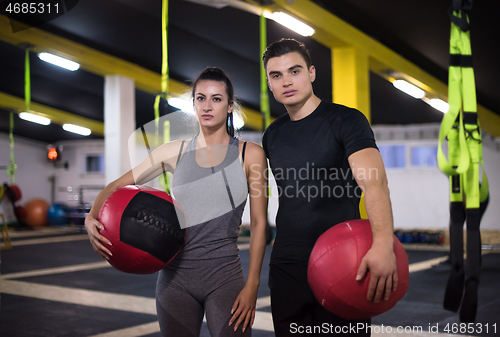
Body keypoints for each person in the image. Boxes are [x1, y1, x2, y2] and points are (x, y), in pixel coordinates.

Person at [85, 67, 268, 336]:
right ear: (193, 103)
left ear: (230, 107)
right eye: (200, 98)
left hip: (225, 278)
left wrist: (252, 286)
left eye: (217, 99)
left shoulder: (249, 155)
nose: (207, 106)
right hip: (175, 280)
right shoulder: (174, 151)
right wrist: (91, 217)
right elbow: (115, 186)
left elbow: (261, 224)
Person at [261, 38, 398, 336]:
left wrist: (384, 244)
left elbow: (375, 184)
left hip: (343, 261)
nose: (286, 81)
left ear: (311, 73)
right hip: (287, 265)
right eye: (276, 75)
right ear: (269, 83)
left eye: (294, 71)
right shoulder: (272, 135)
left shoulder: (347, 120)